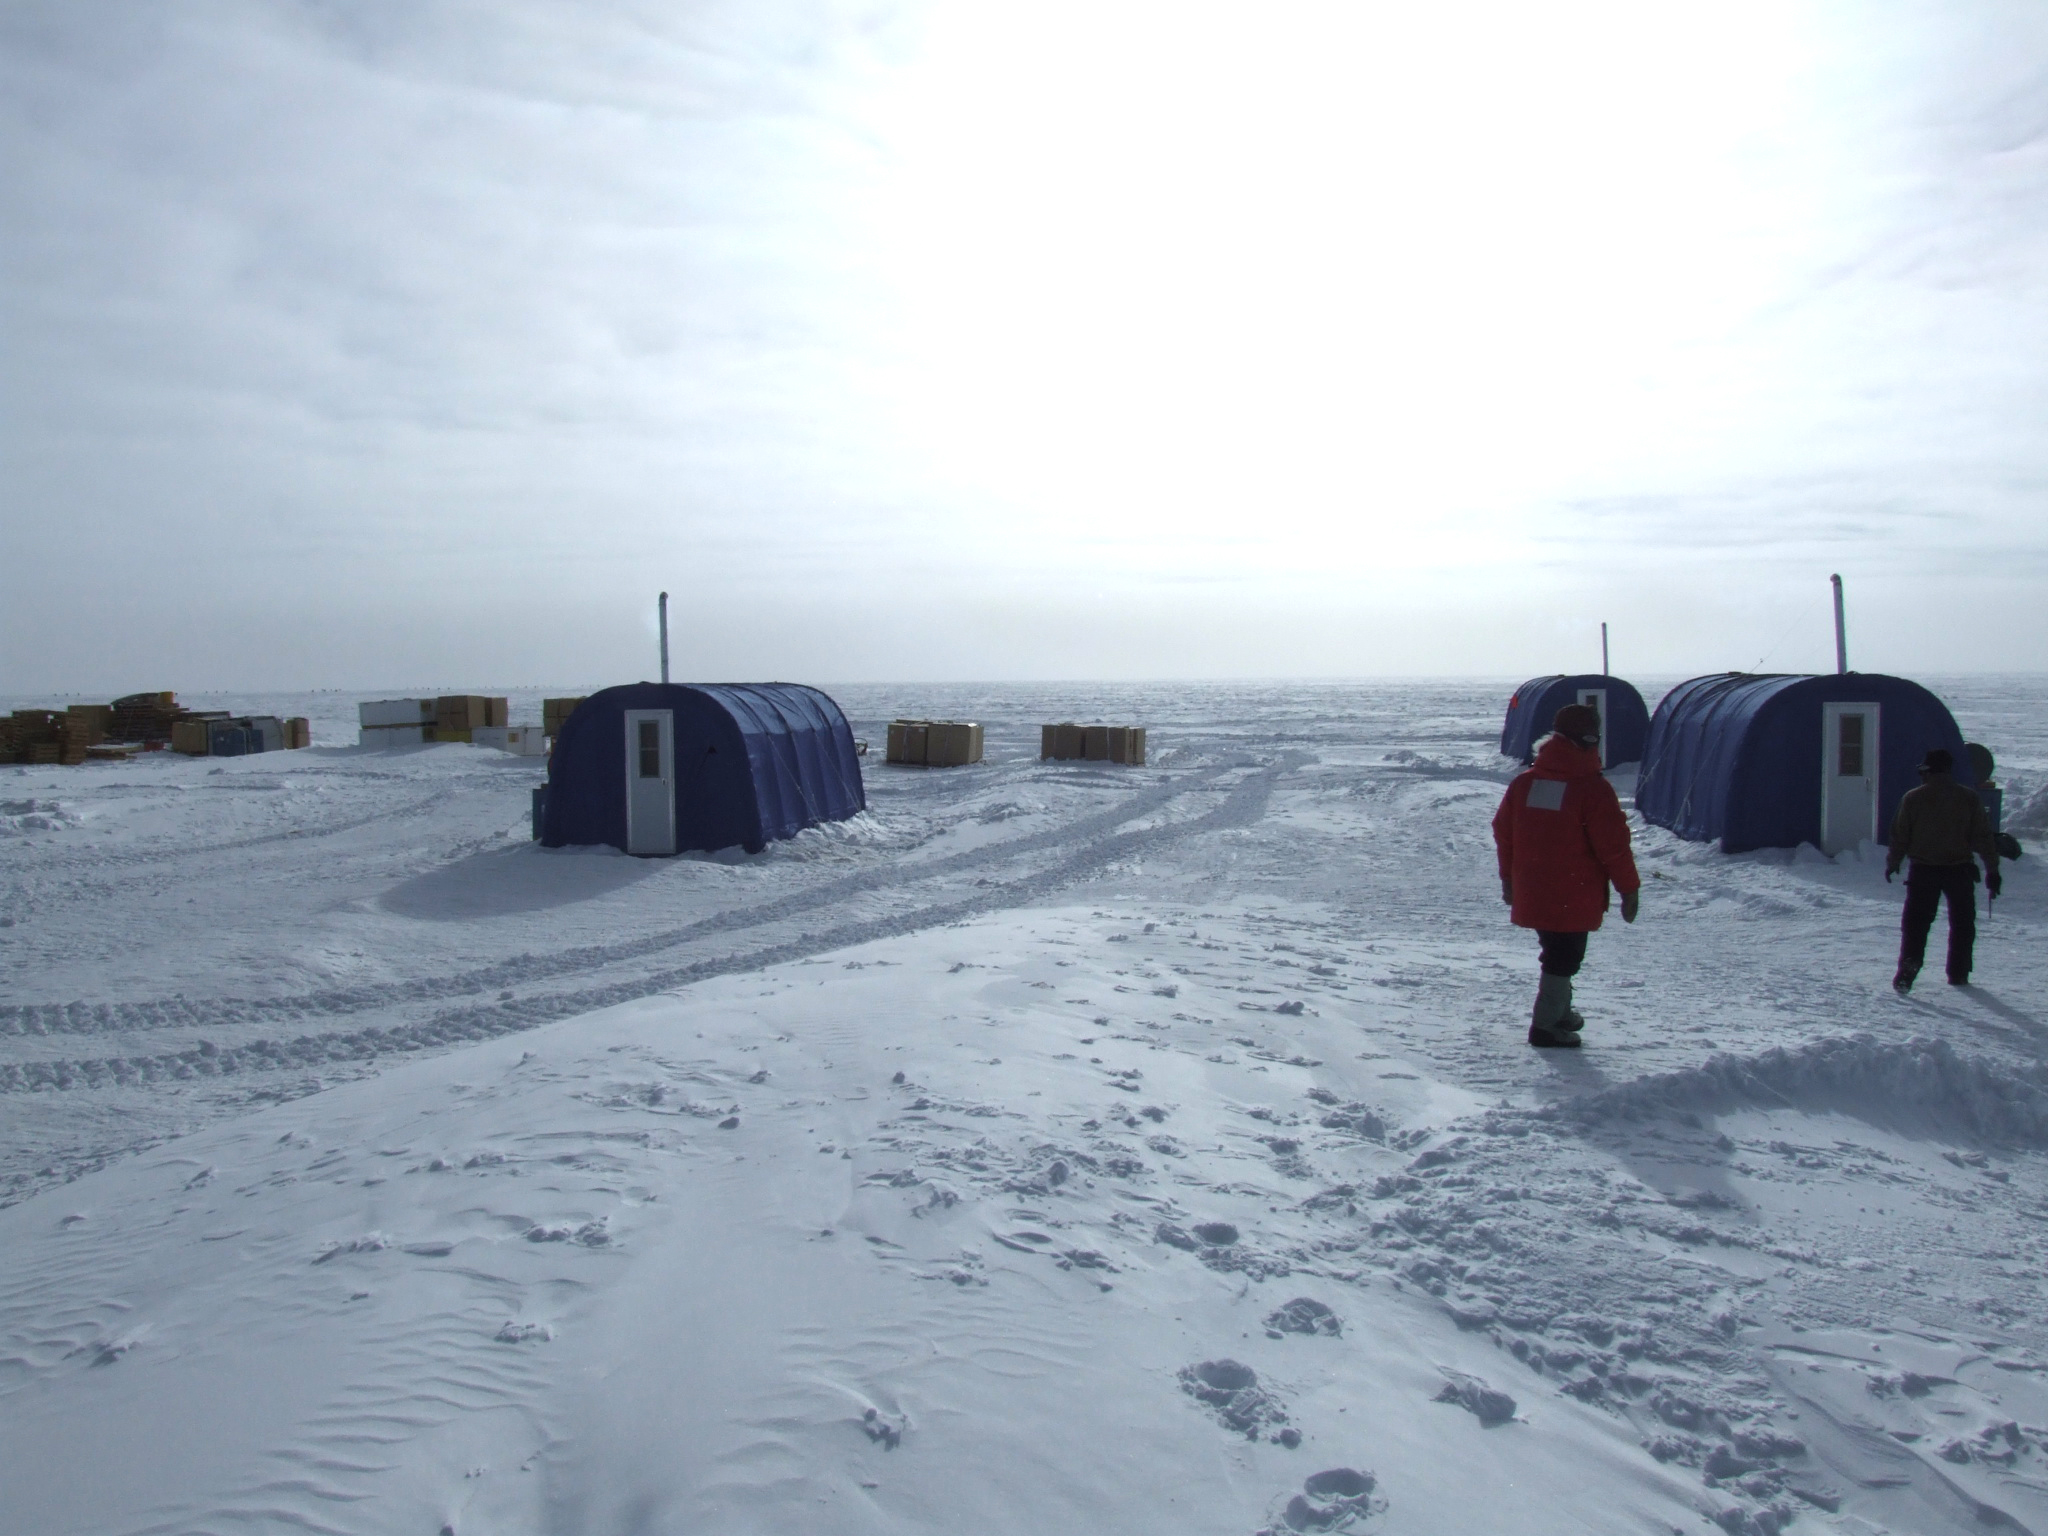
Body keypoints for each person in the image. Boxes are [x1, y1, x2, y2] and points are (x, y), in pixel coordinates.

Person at [1492, 703, 1642, 1048]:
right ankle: (1545, 1026)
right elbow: (1613, 847)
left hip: (1535, 889)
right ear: (1591, 741)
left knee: (1555, 950)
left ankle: (1560, 1010)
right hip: (1573, 892)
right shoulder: (1591, 789)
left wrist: (1508, 878)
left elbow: (1504, 831)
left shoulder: (1526, 783)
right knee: (1564, 957)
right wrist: (1629, 888)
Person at [1886, 747, 2001, 991]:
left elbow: (1900, 836)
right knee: (1962, 924)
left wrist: (1893, 862)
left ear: (1927, 771)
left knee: (1916, 924)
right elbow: (1983, 837)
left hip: (1923, 872)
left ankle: (1908, 970)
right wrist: (1992, 870)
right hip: (1959, 871)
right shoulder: (1968, 798)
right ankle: (1958, 973)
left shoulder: (1913, 798)